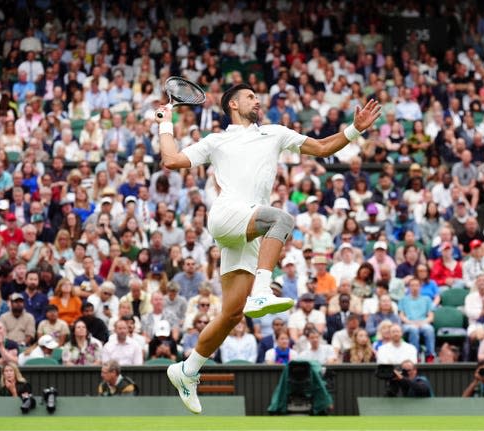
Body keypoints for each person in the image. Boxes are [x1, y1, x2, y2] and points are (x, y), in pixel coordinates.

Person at [158, 84, 380, 413]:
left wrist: (354, 129)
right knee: (283, 220)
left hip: (249, 230)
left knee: (232, 313)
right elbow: (172, 160)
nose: (257, 100)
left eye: (256, 97)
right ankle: (263, 290)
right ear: (233, 104)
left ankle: (187, 370)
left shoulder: (274, 133)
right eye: (250, 97)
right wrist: (164, 124)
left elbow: (320, 147)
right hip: (227, 215)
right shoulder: (217, 141)